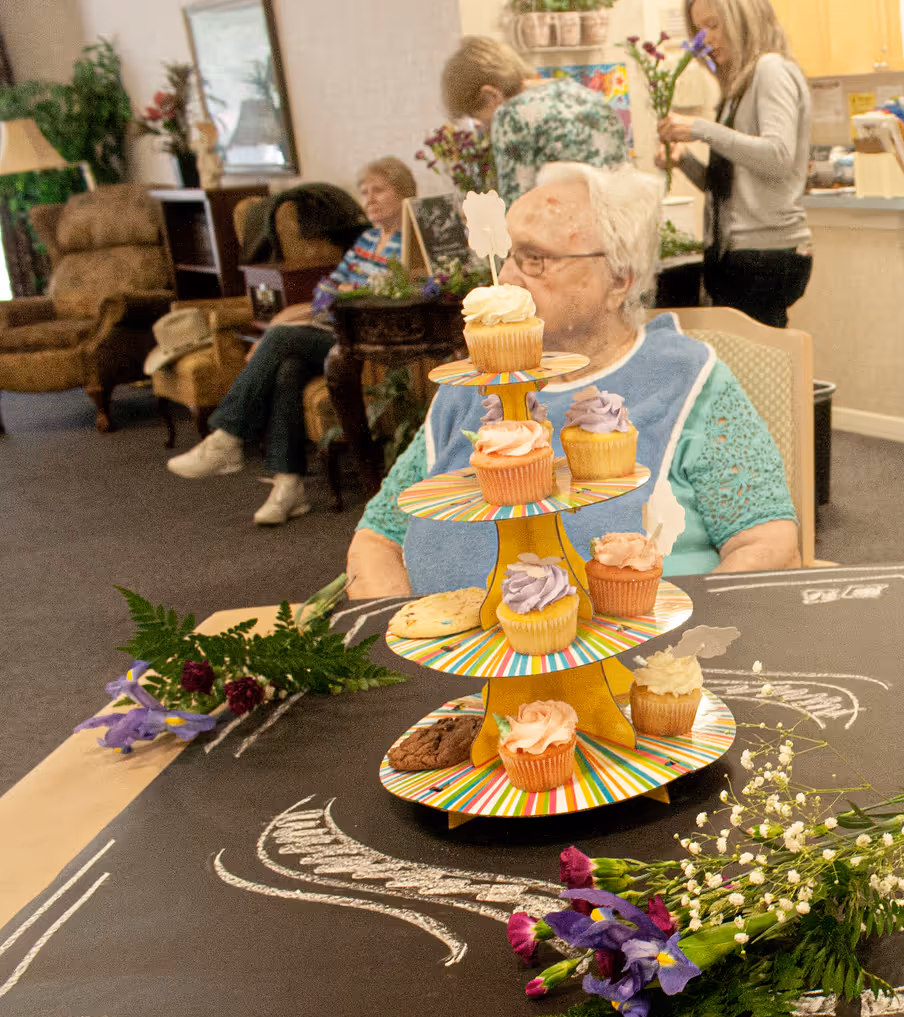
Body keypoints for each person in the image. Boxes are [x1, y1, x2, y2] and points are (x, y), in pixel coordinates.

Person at [347, 162, 800, 598]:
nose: (504, 279)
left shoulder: (685, 380)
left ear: (619, 280)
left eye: (534, 259)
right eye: (507, 256)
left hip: (632, 667)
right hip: (454, 664)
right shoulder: (472, 388)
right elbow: (377, 538)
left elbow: (768, 544)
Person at [166, 157, 414, 525]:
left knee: (281, 339)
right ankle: (287, 486)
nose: (370, 200)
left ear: (405, 191)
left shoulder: (412, 238)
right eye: (364, 192)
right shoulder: (367, 241)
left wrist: (344, 294)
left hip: (375, 340)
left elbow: (400, 288)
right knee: (288, 370)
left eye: (380, 190)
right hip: (335, 331)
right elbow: (325, 294)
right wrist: (336, 296)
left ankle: (229, 438)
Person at [659, 0, 813, 328]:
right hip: (736, 251)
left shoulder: (771, 70)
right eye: (699, 30)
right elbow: (730, 187)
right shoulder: (738, 87)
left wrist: (700, 129)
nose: (705, 40)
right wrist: (684, 160)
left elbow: (778, 157)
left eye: (714, 26)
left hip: (765, 253)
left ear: (744, 20)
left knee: (755, 370)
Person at [442, 36, 630, 206]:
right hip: (620, 231)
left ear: (491, 95)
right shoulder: (586, 95)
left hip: (573, 236)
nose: (483, 127)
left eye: (477, 118)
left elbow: (518, 213)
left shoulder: (511, 115)